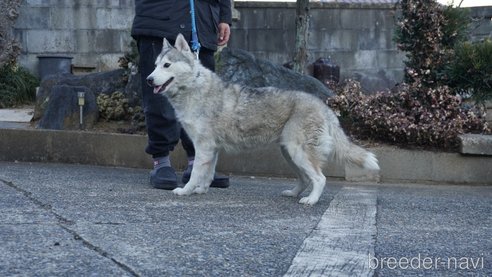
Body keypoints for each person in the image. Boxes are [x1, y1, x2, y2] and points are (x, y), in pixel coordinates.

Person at [131, 0, 232, 190]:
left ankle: (198, 163)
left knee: (203, 99)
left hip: (201, 24)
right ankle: (161, 162)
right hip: (158, 20)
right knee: (159, 98)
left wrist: (224, 17)